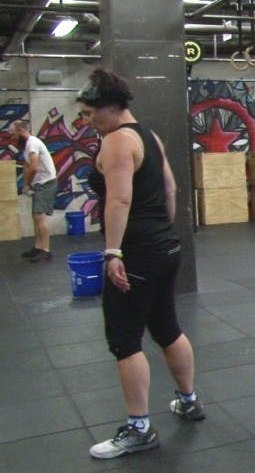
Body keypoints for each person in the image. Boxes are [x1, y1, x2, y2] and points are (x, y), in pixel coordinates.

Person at [76, 67, 205, 460]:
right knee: (166, 327)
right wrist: (163, 233)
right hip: (164, 247)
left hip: (135, 252)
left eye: (89, 113)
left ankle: (139, 429)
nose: (87, 120)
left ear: (110, 107)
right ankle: (188, 401)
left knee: (125, 340)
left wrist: (114, 252)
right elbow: (170, 188)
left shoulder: (116, 141)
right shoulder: (149, 136)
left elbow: (119, 200)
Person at [11, 120, 57, 262]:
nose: (12, 138)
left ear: (20, 131)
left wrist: (27, 185)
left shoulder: (32, 143)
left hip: (46, 182)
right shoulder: (26, 146)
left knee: (39, 217)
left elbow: (34, 167)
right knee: (35, 217)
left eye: (13, 134)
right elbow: (27, 166)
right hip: (39, 183)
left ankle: (45, 250)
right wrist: (27, 184)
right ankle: (38, 247)